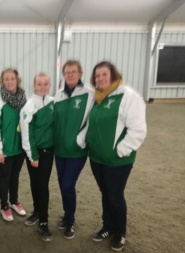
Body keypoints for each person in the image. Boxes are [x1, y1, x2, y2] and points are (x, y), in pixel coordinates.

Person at [85, 61, 147, 251]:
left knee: (115, 196)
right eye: (97, 76)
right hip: (97, 159)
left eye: (104, 75)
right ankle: (107, 226)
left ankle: (119, 232)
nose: (100, 79)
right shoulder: (98, 98)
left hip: (117, 161)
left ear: (113, 75)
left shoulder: (128, 97)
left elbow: (138, 130)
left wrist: (121, 150)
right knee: (106, 194)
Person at [53, 60, 94, 239]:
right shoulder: (59, 95)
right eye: (67, 72)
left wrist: (81, 139)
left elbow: (93, 120)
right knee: (63, 185)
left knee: (68, 185)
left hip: (77, 150)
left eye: (73, 72)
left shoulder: (89, 93)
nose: (70, 75)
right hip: (60, 150)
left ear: (80, 73)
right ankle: (66, 214)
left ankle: (70, 220)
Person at [20, 72, 54, 241]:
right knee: (35, 183)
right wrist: (33, 156)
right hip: (33, 153)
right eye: (39, 84)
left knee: (42, 185)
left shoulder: (53, 103)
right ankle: (37, 211)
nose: (42, 87)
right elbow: (27, 133)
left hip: (48, 152)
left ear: (49, 85)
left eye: (45, 84)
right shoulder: (29, 106)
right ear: (34, 86)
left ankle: (44, 221)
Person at [0, 68, 27, 222]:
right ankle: (4, 205)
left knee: (15, 176)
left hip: (20, 148)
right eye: (6, 79)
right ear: (2, 81)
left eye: (12, 78)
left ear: (17, 80)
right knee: (5, 177)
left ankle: (14, 201)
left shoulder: (24, 99)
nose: (10, 81)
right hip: (5, 149)